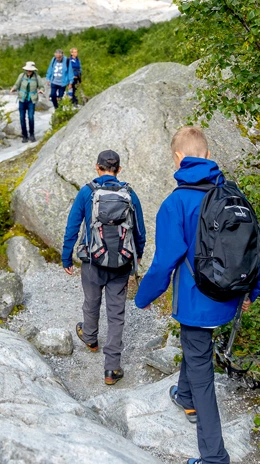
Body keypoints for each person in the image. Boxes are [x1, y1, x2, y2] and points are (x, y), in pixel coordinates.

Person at [134, 126, 260, 464]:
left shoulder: (175, 203)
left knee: (201, 364)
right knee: (195, 349)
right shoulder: (232, 196)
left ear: (178, 158)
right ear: (206, 155)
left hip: (196, 300)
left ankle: (214, 456)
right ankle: (185, 396)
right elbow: (254, 248)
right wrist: (253, 291)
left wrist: (143, 297)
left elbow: (165, 261)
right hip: (229, 296)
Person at [61, 150, 146, 386]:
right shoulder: (129, 194)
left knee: (91, 301)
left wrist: (66, 257)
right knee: (116, 313)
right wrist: (135, 257)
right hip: (121, 262)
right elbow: (140, 232)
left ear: (97, 167)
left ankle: (90, 338)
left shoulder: (87, 192)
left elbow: (72, 227)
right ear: (118, 169)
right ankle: (111, 368)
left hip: (92, 260)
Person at [9, 61, 43, 143]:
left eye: (30, 71)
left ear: (33, 71)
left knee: (31, 117)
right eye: (27, 70)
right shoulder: (21, 76)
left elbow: (41, 86)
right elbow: (17, 85)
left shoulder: (37, 77)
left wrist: (41, 90)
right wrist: (13, 89)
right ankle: (24, 135)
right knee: (22, 118)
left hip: (31, 100)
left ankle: (32, 134)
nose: (29, 72)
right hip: (22, 99)